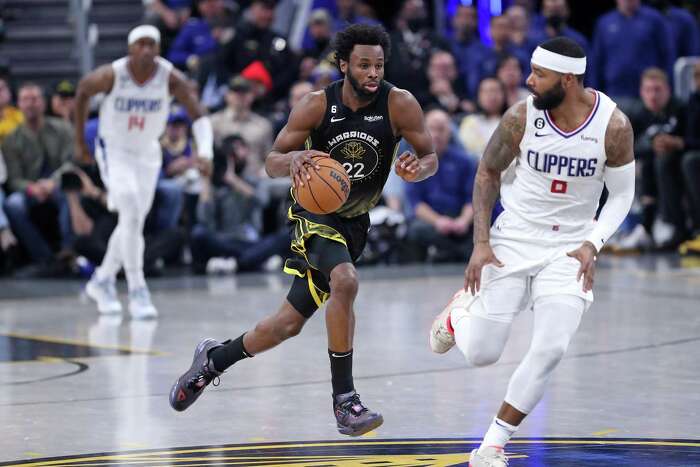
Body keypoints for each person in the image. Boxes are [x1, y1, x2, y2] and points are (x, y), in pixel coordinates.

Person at [169, 24, 438, 437]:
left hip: (354, 223)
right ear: (344, 64)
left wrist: (416, 169)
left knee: (284, 326)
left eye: (379, 65)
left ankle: (212, 360)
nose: (373, 73)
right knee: (345, 281)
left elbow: (429, 157)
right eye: (364, 65)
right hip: (312, 215)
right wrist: (293, 159)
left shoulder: (400, 104)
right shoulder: (316, 105)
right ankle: (345, 401)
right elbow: (271, 161)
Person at [429, 37, 635, 466]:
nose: (528, 81)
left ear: (568, 79)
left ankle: (492, 446)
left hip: (569, 248)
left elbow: (621, 195)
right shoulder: (521, 117)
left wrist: (592, 243)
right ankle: (455, 316)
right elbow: (487, 172)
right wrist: (481, 243)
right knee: (483, 352)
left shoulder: (614, 127)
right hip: (513, 238)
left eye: (538, 75)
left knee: (550, 348)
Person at [74, 25, 214, 319]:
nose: (147, 49)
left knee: (132, 220)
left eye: (153, 44)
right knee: (132, 213)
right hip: (115, 149)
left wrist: (205, 151)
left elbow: (198, 114)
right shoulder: (112, 74)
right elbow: (83, 92)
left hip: (149, 152)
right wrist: (79, 142)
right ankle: (138, 289)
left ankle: (102, 280)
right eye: (141, 44)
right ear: (130, 48)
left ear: (159, 49)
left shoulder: (170, 77)